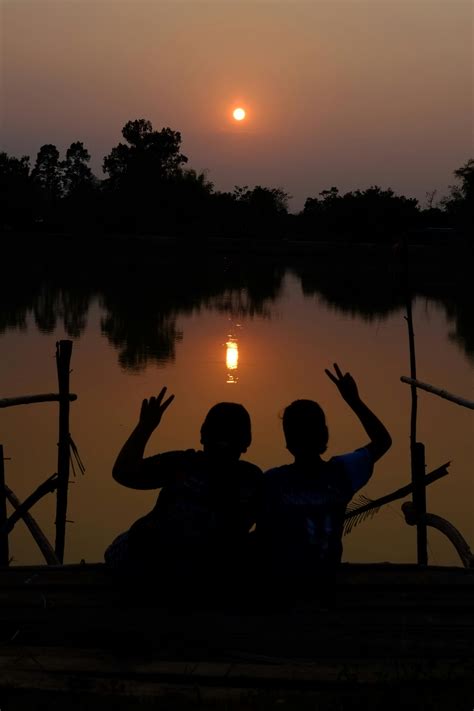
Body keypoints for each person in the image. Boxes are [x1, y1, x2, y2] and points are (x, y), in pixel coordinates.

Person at [105, 387, 262, 596]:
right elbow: (123, 473)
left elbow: (123, 472)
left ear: (202, 436)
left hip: (173, 569)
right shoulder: (249, 477)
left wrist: (145, 427)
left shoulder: (184, 464)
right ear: (246, 443)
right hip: (177, 567)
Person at [258, 363, 392, 601]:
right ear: (325, 437)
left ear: (287, 442)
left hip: (283, 590)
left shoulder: (272, 482)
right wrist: (354, 400)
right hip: (323, 585)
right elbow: (382, 441)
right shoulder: (341, 473)